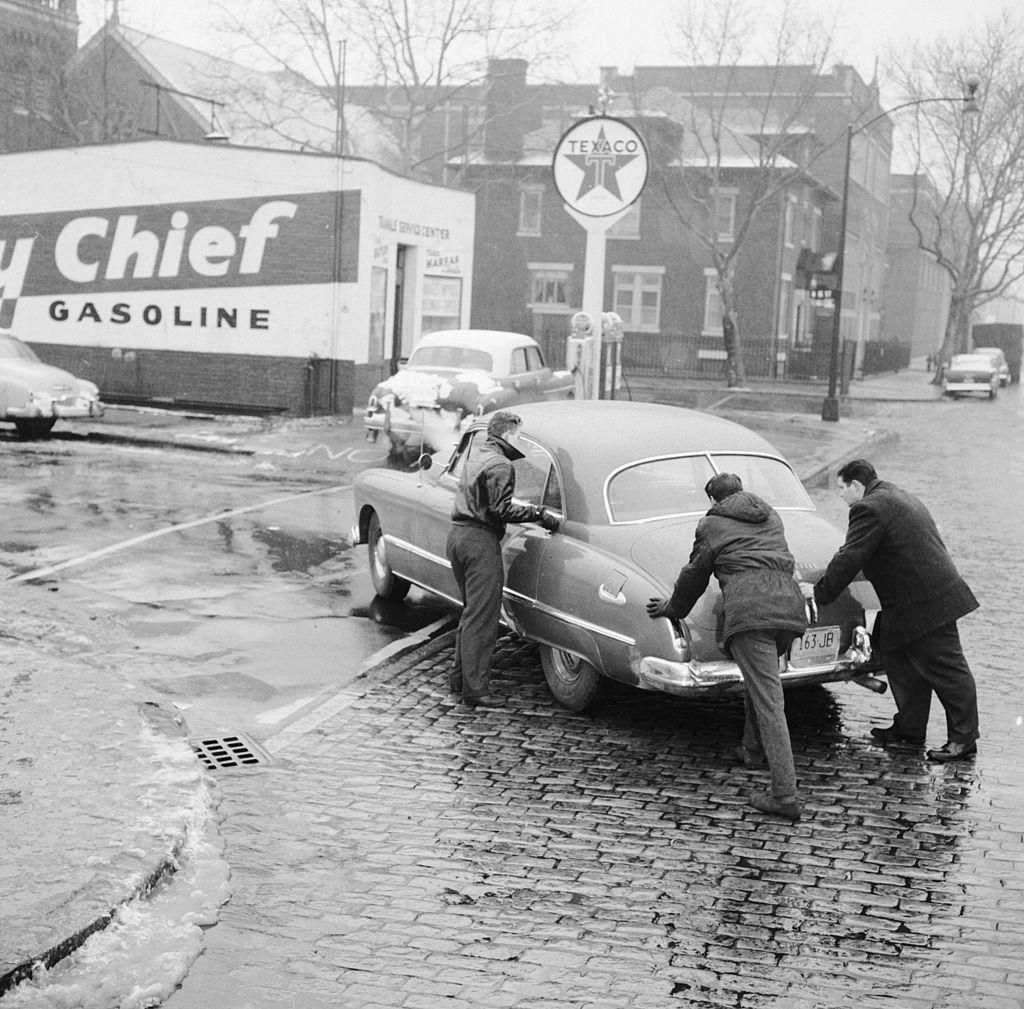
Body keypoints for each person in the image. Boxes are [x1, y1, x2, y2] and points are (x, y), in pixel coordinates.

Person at [647, 473, 808, 820]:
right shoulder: (770, 515)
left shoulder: (712, 524)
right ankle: (751, 750)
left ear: (713, 500)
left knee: (769, 701)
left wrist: (672, 609)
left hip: (752, 612)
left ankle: (785, 795)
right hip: (788, 609)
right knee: (760, 681)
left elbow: (695, 574)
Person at [812, 459, 979, 762]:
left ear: (856, 486)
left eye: (841, 488)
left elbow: (851, 556)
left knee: (948, 670)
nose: (840, 495)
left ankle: (964, 739)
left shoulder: (868, 509)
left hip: (926, 603)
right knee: (898, 658)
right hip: (911, 600)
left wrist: (821, 592)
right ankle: (910, 728)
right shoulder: (895, 495)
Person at [446, 411, 560, 708]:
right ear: (508, 434)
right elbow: (501, 510)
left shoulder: (477, 454)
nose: (519, 440)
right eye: (518, 435)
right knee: (483, 619)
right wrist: (538, 513)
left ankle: (459, 679)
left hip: (458, 537)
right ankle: (476, 690)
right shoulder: (501, 465)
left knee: (470, 613)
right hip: (480, 542)